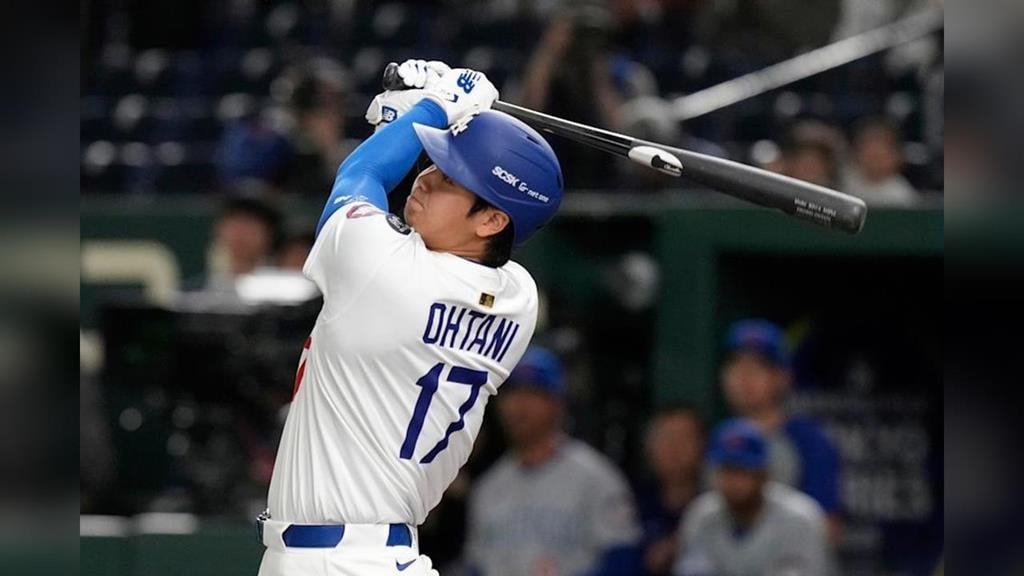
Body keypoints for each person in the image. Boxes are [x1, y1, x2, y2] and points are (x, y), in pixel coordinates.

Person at [255, 59, 562, 576]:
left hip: (337, 561)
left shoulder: (387, 272)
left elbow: (361, 177)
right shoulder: (518, 298)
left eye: (450, 178)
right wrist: (408, 128)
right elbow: (401, 225)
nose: (425, 176)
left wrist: (431, 109)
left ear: (492, 219)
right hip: (373, 554)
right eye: (432, 161)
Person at [465, 346, 642, 576]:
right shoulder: (487, 488)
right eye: (511, 393)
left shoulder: (597, 478)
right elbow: (475, 566)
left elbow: (623, 560)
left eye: (532, 393)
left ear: (557, 403)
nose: (518, 405)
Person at [719, 319, 843, 545]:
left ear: (783, 377)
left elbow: (828, 531)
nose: (744, 376)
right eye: (736, 363)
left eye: (759, 366)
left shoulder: (809, 442)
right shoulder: (715, 438)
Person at [673, 419, 831, 576]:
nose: (733, 482)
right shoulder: (701, 515)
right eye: (727, 471)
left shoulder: (799, 518)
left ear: (763, 475)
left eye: (742, 471)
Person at [637, 405, 706, 576]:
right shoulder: (632, 502)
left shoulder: (718, 503)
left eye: (684, 439)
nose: (675, 449)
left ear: (703, 445)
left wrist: (681, 544)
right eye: (665, 439)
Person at [844, 117, 918, 206]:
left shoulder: (901, 193)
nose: (875, 164)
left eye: (880, 157)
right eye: (870, 156)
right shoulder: (845, 184)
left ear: (896, 157)